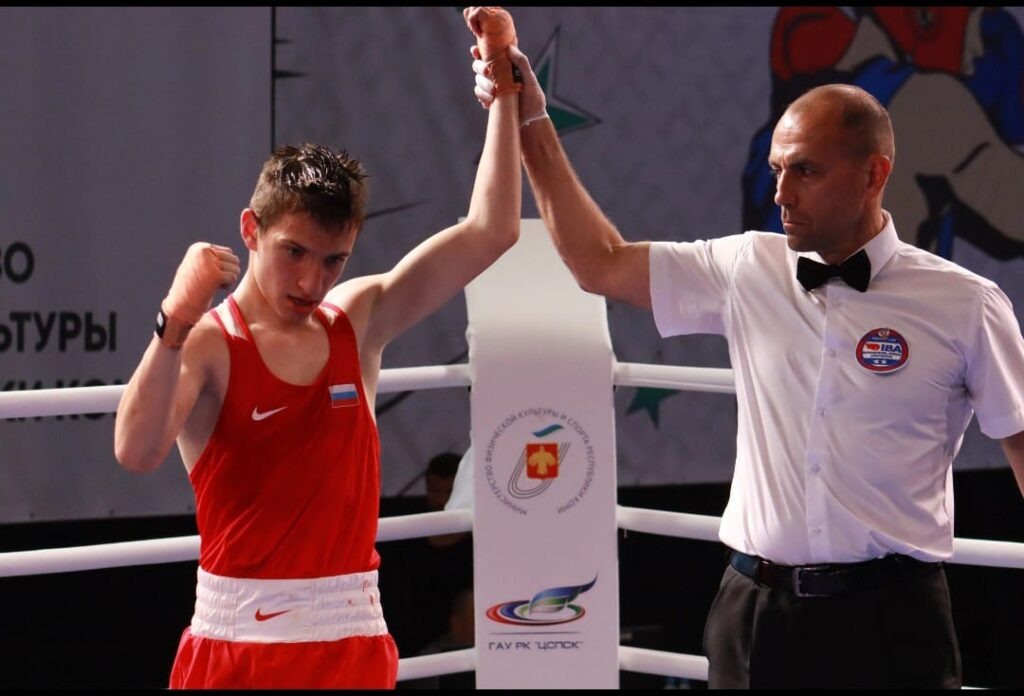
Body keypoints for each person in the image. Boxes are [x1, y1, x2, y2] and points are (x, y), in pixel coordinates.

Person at [464, 7, 1024, 689]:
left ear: (874, 175)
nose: (781, 193)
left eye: (805, 171)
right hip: (756, 613)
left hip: (893, 618)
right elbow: (598, 262)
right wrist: (530, 114)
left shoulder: (964, 303)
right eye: (777, 169)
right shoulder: (747, 266)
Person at [112, 10, 523, 687]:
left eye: (333, 261)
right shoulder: (211, 342)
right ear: (251, 230)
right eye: (294, 252)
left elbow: (492, 231)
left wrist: (503, 82)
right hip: (239, 644)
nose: (311, 281)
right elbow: (135, 450)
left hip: (350, 640)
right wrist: (173, 322)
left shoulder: (354, 322)